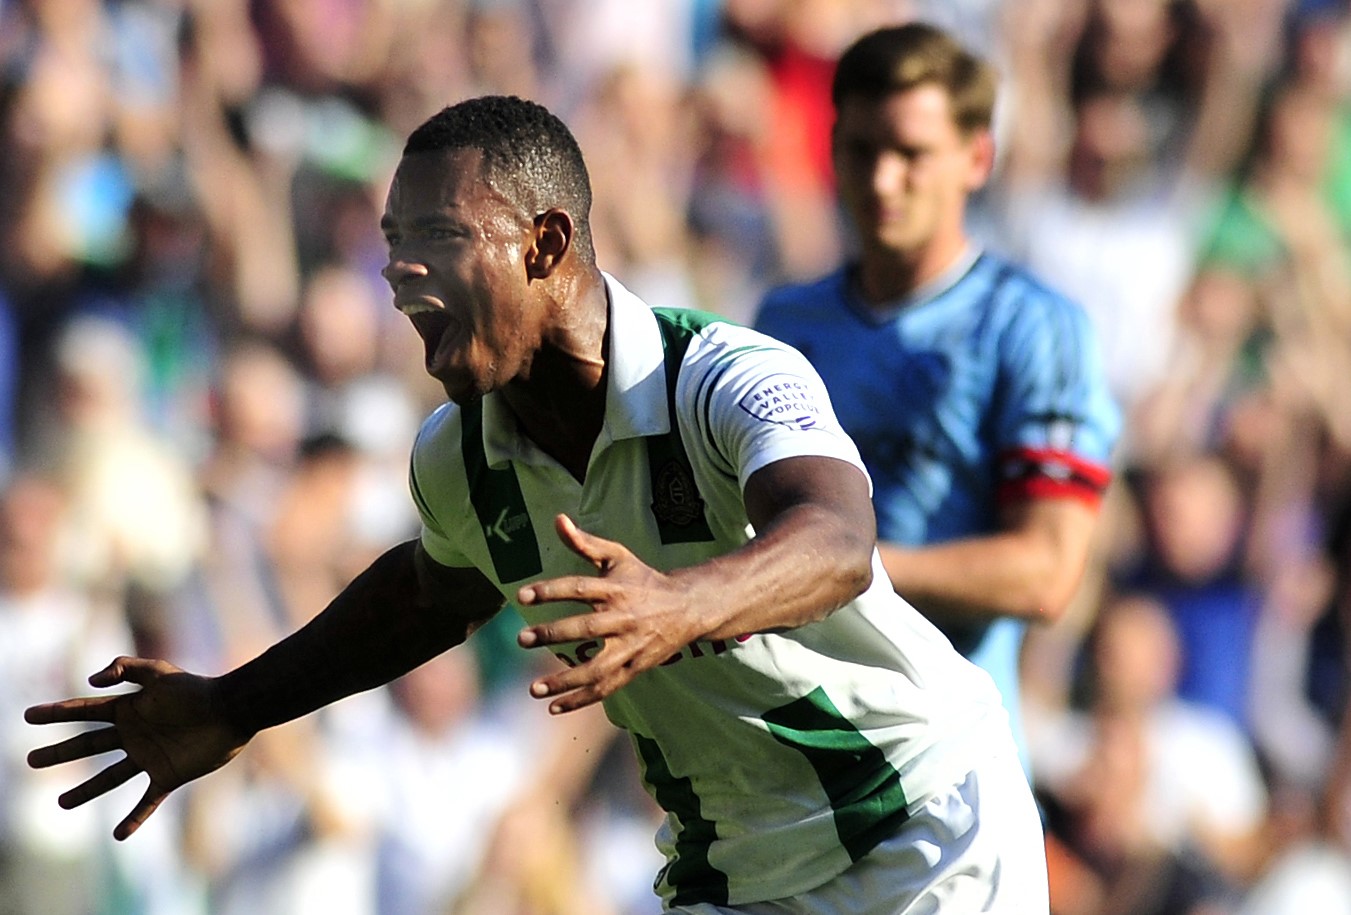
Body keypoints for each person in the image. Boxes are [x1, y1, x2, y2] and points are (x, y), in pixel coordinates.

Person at [26, 94, 1047, 913]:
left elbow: (836, 539)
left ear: (545, 243)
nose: (399, 270)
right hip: (735, 866)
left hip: (921, 827)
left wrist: (683, 602)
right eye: (392, 240)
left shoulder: (724, 374)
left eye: (436, 235)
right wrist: (233, 705)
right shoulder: (456, 456)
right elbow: (430, 595)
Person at [753, 23, 1121, 770]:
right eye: (861, 150)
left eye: (911, 154)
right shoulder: (783, 325)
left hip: (951, 763)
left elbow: (1047, 572)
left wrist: (838, 565)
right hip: (799, 756)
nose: (883, 180)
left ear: (977, 158)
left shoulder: (1032, 327)